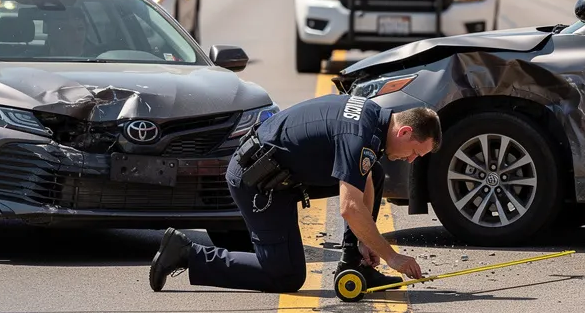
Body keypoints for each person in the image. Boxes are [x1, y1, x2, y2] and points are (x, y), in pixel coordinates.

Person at [148, 94, 441, 293]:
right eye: (415, 151)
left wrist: (366, 243)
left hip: (285, 174)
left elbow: (364, 178)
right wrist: (391, 257)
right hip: (258, 181)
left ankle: (355, 264)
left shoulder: (373, 117)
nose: (412, 159)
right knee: (284, 275)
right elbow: (350, 208)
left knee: (372, 172)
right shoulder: (359, 137)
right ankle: (187, 252)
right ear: (404, 133)